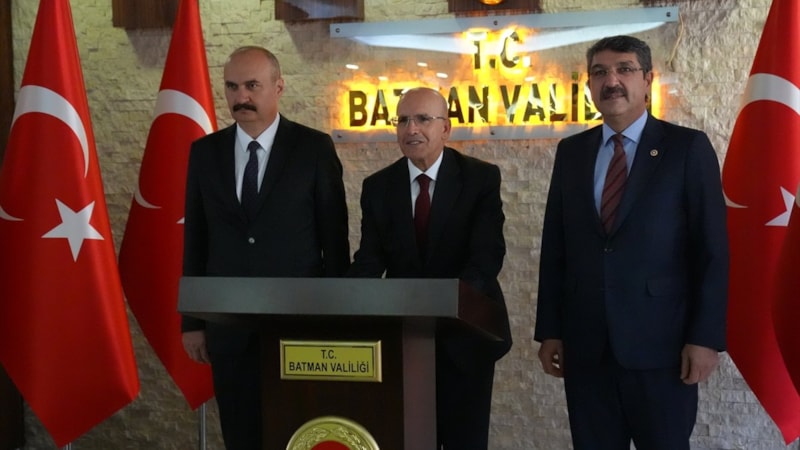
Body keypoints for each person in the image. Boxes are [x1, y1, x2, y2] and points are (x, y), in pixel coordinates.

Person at [534, 35, 729, 450]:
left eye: (624, 69)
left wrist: (706, 337)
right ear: (589, 85)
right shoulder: (571, 152)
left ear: (647, 79)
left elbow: (711, 250)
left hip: (663, 348)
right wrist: (550, 330)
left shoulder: (686, 148)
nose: (612, 81)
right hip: (586, 348)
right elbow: (556, 249)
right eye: (600, 72)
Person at [180, 46, 350, 450]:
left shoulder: (313, 149)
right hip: (228, 327)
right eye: (232, 87)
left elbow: (335, 242)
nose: (241, 97)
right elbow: (196, 238)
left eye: (252, 86)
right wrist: (192, 321)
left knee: (299, 433)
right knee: (241, 435)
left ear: (279, 87)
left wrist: (339, 320)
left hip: (300, 325)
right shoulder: (205, 152)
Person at [347, 87, 512, 449]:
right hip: (404, 344)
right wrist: (348, 305)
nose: (412, 129)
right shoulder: (377, 187)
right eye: (403, 120)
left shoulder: (480, 179)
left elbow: (486, 257)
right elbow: (370, 260)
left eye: (423, 119)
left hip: (465, 338)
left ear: (446, 128)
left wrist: (446, 308)